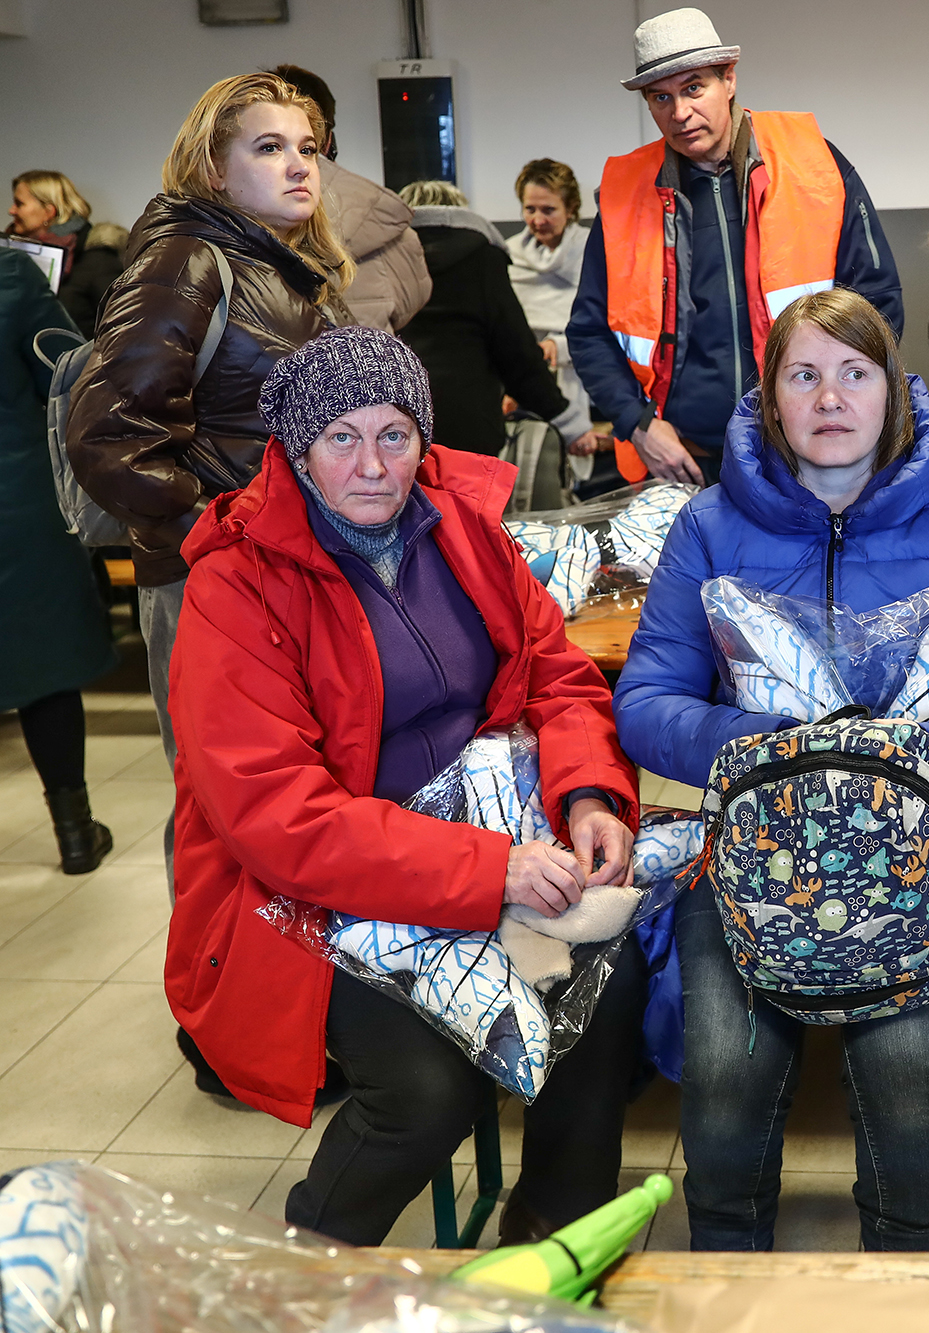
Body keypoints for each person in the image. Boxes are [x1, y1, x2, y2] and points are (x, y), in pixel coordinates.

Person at [166, 326, 643, 1248]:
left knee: (607, 981)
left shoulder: (460, 528)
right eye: (341, 437)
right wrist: (489, 868)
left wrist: (588, 794)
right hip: (306, 893)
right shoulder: (237, 585)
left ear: (425, 438)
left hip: (481, 848)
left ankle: (553, 1233)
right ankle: (307, 1273)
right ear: (297, 449)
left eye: (395, 433)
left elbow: (557, 672)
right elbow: (278, 818)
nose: (374, 465)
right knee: (430, 1088)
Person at [613, 288, 929, 1250]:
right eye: (803, 374)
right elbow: (647, 703)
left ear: (892, 392)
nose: (830, 397)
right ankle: (724, 1274)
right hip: (748, 846)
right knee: (728, 1068)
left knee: (907, 1065)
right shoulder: (707, 526)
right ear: (771, 396)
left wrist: (913, 756)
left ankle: (908, 1272)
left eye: (854, 373)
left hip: (915, 844)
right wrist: (771, 746)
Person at [67, 70, 350, 814]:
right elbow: (108, 434)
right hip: (213, 582)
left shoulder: (280, 270)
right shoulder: (184, 261)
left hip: (281, 572)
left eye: (309, 148)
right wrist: (219, 538)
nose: (300, 165)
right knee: (226, 813)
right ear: (213, 169)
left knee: (289, 807)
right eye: (269, 147)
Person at [569, 7, 903, 489]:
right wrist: (639, 426)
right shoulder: (625, 195)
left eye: (694, 87)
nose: (679, 113)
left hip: (806, 453)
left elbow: (880, 305)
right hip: (685, 463)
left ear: (729, 79)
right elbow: (588, 332)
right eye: (661, 97)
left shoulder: (815, 165)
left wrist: (831, 412)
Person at [0, 248, 117, 873]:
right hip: (15, 503)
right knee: (43, 671)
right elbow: (72, 375)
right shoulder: (12, 276)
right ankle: (74, 832)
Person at [394, 180, 575, 458]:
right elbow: (515, 351)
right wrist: (564, 419)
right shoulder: (482, 257)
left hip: (398, 421)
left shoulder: (381, 258)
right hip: (471, 428)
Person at [270, 65, 431, 332]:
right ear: (330, 140)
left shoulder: (221, 222)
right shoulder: (388, 219)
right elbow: (411, 304)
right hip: (374, 367)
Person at [505, 158, 612, 477]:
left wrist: (559, 346)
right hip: (526, 387)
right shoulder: (507, 255)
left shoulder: (597, 252)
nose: (537, 220)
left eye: (548, 210)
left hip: (591, 387)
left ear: (571, 209)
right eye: (529, 209)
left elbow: (610, 322)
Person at [7, 170, 91, 288]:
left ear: (48, 212)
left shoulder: (95, 259)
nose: (11, 211)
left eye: (19, 204)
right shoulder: (7, 249)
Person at [58, 222, 129, 339]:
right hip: (85, 340)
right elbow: (116, 310)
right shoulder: (108, 266)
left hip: (66, 333)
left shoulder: (77, 263)